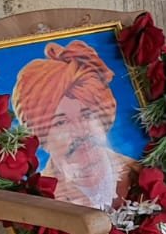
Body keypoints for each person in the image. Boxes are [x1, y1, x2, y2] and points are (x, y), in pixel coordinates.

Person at [11, 41, 143, 211]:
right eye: (61, 122)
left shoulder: (139, 174)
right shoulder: (38, 204)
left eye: (86, 115)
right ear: (42, 137)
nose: (80, 131)